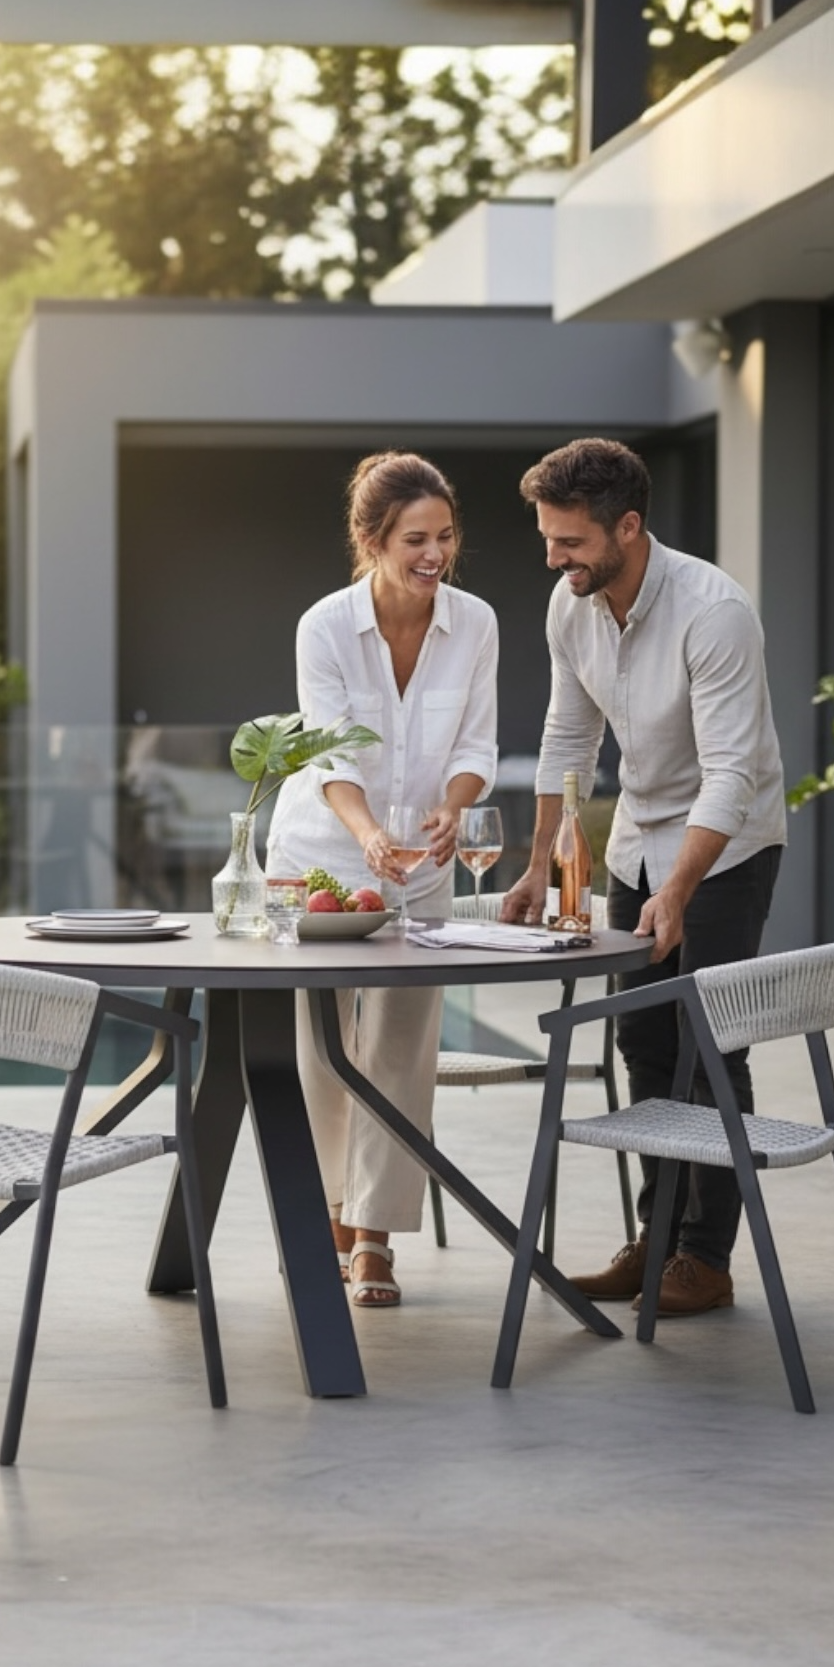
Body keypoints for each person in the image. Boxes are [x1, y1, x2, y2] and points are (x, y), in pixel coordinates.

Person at [500, 438, 786, 1317]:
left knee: (710, 1047)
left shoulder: (715, 612)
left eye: (571, 542)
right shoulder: (572, 603)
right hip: (636, 840)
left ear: (629, 526)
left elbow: (733, 775)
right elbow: (567, 737)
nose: (555, 559)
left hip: (726, 847)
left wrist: (682, 888)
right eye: (548, 539)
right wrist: (542, 862)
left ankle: (705, 1258)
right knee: (644, 1047)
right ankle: (655, 1239)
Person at [266, 452, 499, 1309]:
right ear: (371, 542)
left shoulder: (476, 625)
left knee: (402, 1043)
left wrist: (452, 809)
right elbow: (326, 747)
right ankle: (327, 1210)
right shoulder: (324, 626)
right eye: (414, 539)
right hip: (322, 855)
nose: (434, 553)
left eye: (444, 536)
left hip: (425, 867)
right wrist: (367, 835)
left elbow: (477, 743)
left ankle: (373, 1239)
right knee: (322, 1046)